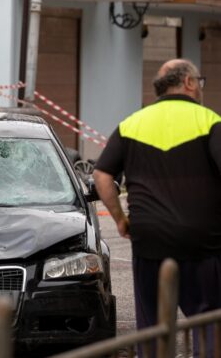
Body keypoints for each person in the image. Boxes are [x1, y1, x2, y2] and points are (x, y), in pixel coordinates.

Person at [94, 59, 221, 356]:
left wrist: (121, 219)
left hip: (149, 240)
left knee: (152, 326)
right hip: (202, 241)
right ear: (189, 83)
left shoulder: (132, 123)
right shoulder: (209, 121)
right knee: (208, 320)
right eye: (199, 81)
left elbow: (101, 175)